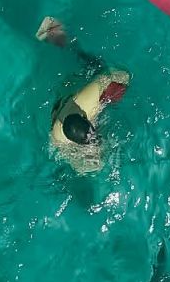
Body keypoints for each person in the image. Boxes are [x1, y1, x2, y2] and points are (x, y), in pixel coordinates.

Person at [38, 17, 130, 174]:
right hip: (62, 106)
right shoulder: (59, 141)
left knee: (96, 66)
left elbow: (120, 76)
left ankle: (53, 34)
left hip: (67, 95)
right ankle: (53, 34)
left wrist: (115, 92)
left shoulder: (86, 102)